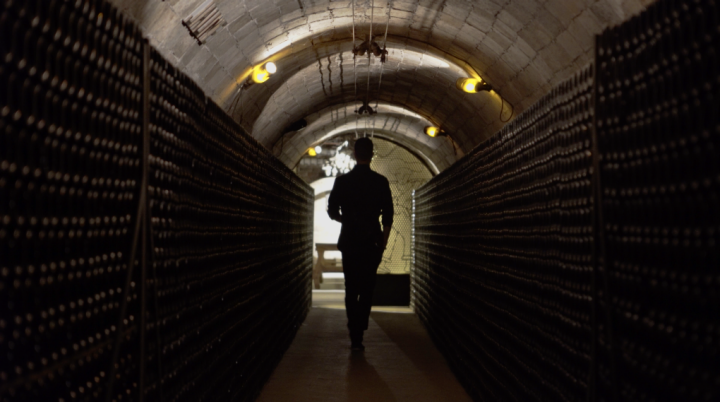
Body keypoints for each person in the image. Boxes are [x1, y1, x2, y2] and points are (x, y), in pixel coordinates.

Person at [327, 137, 393, 351]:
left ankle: (354, 331)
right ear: (372, 154)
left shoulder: (343, 181)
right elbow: (389, 216)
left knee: (351, 287)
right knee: (367, 288)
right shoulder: (380, 182)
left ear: (355, 154)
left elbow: (332, 211)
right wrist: (383, 242)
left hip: (349, 241)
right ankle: (360, 328)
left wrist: (344, 220)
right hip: (371, 242)